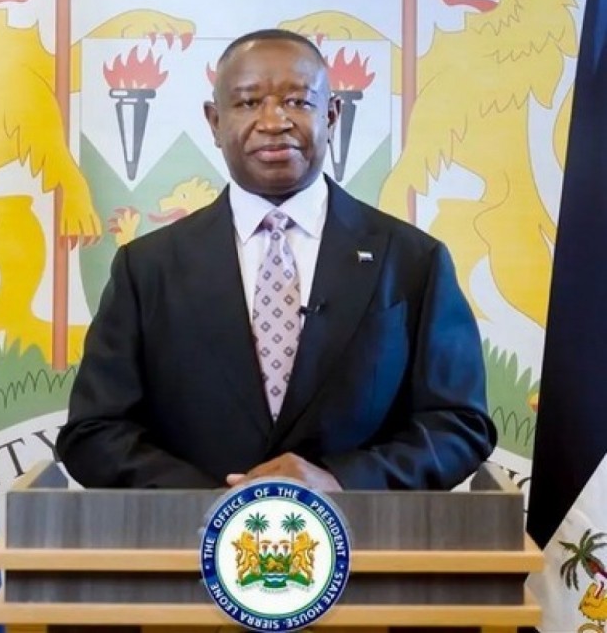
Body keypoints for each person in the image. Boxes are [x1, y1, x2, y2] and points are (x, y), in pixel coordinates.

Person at [55, 28, 497, 491]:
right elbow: (94, 432)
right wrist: (220, 502)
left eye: (297, 102)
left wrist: (343, 483)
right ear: (214, 121)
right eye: (247, 103)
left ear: (331, 114)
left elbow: (458, 424)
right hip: (191, 548)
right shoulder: (146, 269)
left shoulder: (412, 261)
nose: (273, 121)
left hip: (365, 549)